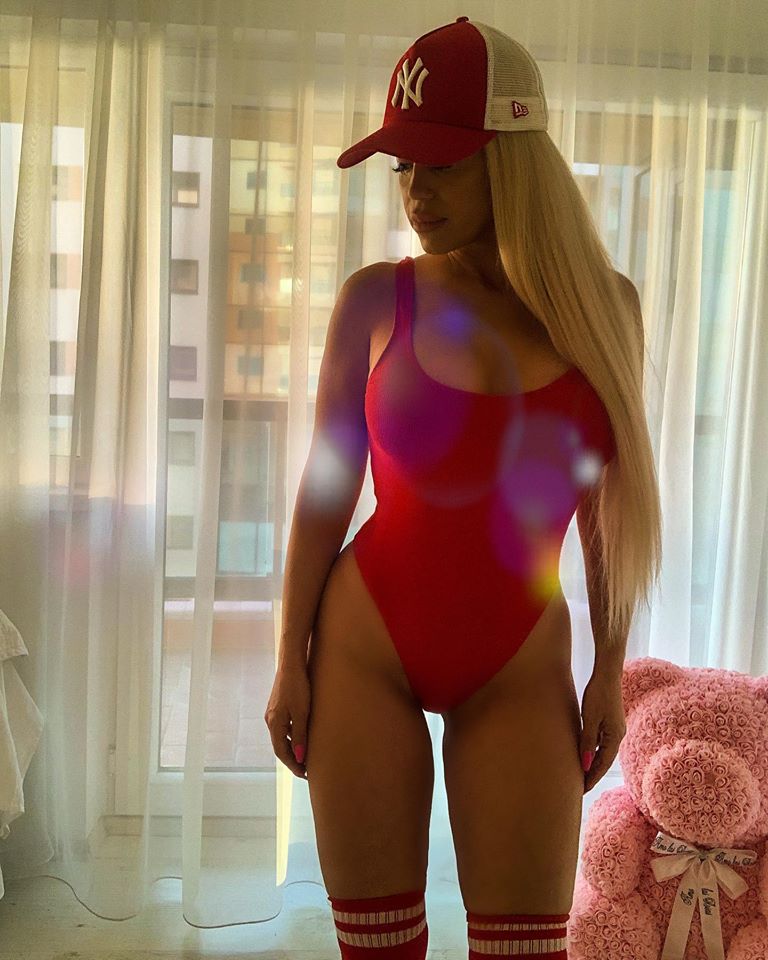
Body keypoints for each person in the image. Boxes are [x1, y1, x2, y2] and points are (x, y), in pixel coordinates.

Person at [264, 15, 662, 960]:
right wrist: (289, 657)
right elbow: (325, 492)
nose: (415, 190)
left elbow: (609, 514)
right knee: (378, 949)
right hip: (365, 645)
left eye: (441, 163)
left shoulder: (607, 311)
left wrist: (609, 669)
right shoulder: (376, 298)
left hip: (519, 661)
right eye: (403, 165)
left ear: (512, 160)